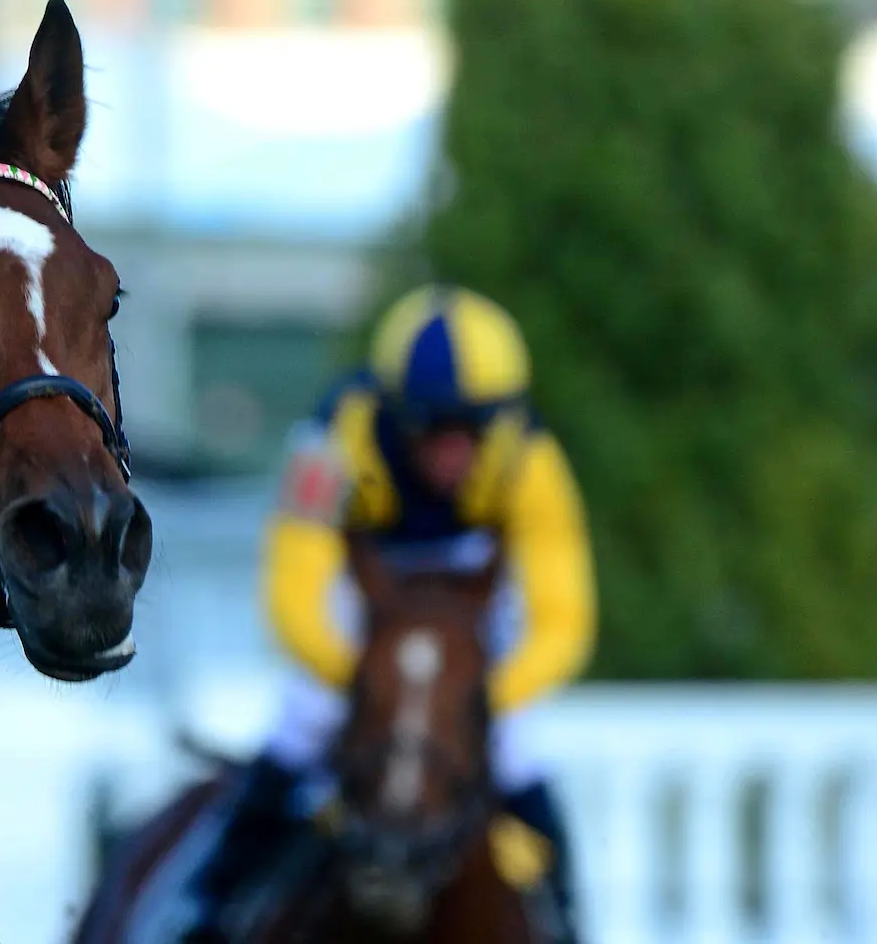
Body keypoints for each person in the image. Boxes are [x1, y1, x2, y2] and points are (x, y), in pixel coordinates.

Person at [178, 285, 598, 941]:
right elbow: (294, 589)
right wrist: (370, 685)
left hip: (470, 611)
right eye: (432, 428)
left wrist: (479, 697)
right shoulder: (332, 443)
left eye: (472, 431)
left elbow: (562, 616)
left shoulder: (530, 459)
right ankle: (213, 906)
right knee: (303, 722)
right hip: (366, 600)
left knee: (518, 752)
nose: (453, 453)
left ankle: (564, 920)